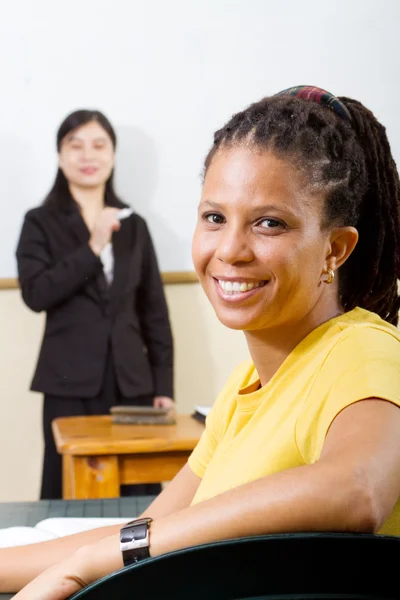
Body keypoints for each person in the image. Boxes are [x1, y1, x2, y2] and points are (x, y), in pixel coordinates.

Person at [3, 85, 400, 599]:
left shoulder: (365, 348)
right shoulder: (243, 390)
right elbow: (141, 532)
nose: (230, 249)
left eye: (268, 223)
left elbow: (357, 488)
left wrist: (99, 559)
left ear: (335, 249)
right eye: (214, 217)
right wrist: (83, 559)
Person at [16, 109, 174, 500]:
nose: (88, 156)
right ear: (59, 155)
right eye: (76, 145)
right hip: (68, 382)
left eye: (99, 145)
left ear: (113, 155)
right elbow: (36, 294)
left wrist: (163, 385)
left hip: (132, 382)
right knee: (67, 488)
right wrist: (94, 245)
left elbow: (154, 309)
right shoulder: (39, 221)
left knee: (138, 492)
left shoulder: (134, 224)